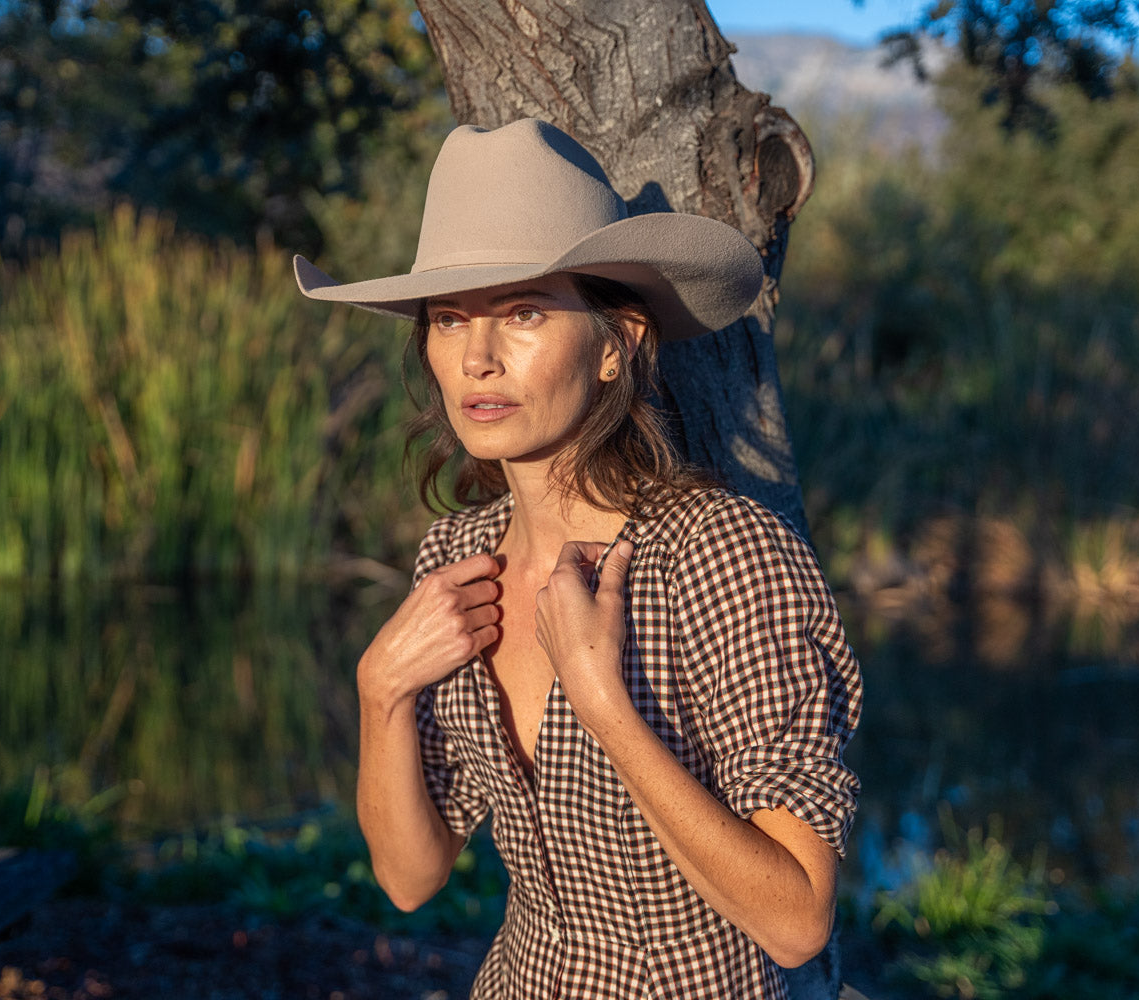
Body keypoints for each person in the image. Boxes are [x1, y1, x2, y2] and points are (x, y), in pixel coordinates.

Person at [295, 118, 862, 999]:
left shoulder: (721, 555)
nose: (478, 359)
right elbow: (410, 879)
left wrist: (605, 705)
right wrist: (382, 691)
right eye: (450, 319)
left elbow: (795, 923)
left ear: (616, 344)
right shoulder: (457, 558)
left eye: (523, 311)